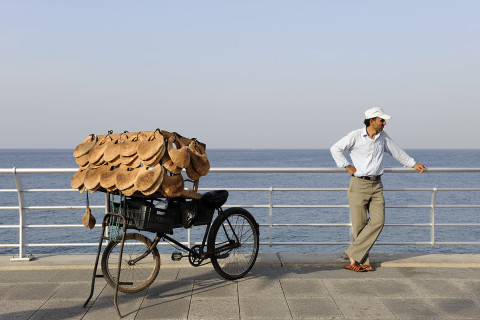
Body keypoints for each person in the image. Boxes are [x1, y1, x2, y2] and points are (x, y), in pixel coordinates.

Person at [330, 107, 427, 272]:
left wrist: (413, 163)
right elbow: (335, 149)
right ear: (371, 121)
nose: (385, 123)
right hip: (358, 185)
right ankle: (360, 261)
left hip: (376, 185)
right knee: (359, 225)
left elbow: (397, 152)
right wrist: (347, 166)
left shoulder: (383, 137)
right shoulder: (355, 135)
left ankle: (352, 253)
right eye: (382, 120)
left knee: (378, 221)